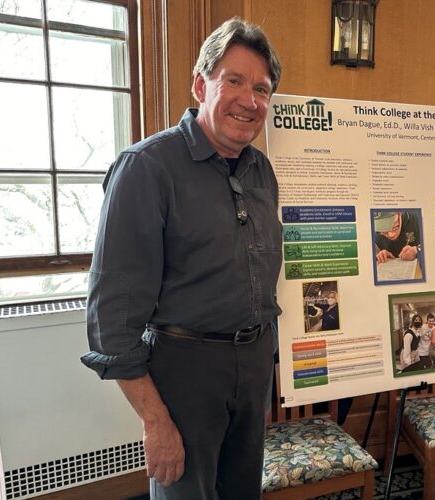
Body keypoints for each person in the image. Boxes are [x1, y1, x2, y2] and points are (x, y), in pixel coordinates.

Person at [81, 18, 283, 500]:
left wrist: (261, 373)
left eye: (262, 88)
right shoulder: (147, 169)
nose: (249, 100)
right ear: (200, 85)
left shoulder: (260, 169)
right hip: (185, 372)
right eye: (233, 80)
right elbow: (112, 317)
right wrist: (155, 420)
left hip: (253, 366)